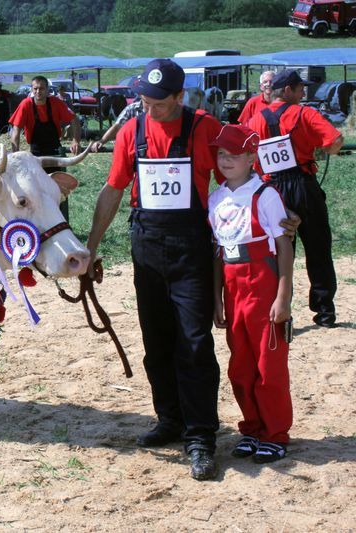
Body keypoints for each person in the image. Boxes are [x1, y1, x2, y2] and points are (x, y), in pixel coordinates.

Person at [86, 59, 224, 481]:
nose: (150, 110)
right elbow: (113, 189)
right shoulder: (132, 131)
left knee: (195, 343)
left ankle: (200, 434)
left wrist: (269, 213)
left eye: (159, 104)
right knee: (156, 340)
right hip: (146, 245)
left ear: (180, 98)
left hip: (190, 247)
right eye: (144, 102)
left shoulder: (204, 129)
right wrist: (89, 248)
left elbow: (237, 174)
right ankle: (170, 419)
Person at [208, 124, 293, 464]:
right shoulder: (216, 197)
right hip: (232, 282)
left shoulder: (266, 195)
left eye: (235, 155)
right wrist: (217, 297)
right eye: (221, 154)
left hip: (262, 279)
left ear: (252, 157)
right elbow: (217, 250)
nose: (227, 160)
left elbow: (284, 247)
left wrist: (283, 295)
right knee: (240, 364)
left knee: (268, 362)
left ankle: (275, 433)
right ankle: (252, 428)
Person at [245, 69, 343, 328]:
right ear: (287, 90)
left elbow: (245, 155)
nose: (303, 93)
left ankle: (278, 308)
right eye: (300, 88)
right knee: (318, 247)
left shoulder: (255, 120)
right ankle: (324, 311)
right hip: (303, 185)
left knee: (278, 252)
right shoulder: (305, 114)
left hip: (272, 190)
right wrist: (319, 150)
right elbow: (335, 141)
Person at [9, 76, 81, 220]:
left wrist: (75, 141)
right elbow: (15, 131)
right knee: (36, 191)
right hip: (35, 154)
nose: (38, 92)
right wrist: (15, 154)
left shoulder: (56, 103)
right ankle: (40, 221)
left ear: (48, 90)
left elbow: (74, 120)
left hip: (55, 152)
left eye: (41, 88)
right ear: (31, 90)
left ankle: (60, 221)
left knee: (57, 190)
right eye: (35, 88)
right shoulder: (25, 104)